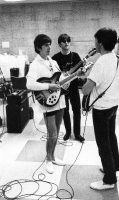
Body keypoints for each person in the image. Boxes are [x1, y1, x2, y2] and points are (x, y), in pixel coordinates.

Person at [82, 27, 119, 190]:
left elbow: (87, 89)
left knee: (104, 144)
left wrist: (88, 76)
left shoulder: (100, 62)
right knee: (111, 138)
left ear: (100, 43)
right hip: (114, 106)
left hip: (101, 109)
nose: (94, 43)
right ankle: (114, 167)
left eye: (95, 40)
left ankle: (109, 180)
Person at [26, 34, 67, 174]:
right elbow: (29, 84)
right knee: (52, 133)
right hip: (47, 102)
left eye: (50, 44)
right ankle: (48, 160)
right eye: (46, 45)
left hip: (59, 99)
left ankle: (53, 156)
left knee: (57, 130)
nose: (49, 47)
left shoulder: (53, 61)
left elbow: (60, 79)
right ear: (38, 47)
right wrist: (48, 86)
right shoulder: (34, 65)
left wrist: (74, 76)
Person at [52, 33, 85, 143]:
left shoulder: (75, 56)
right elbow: (52, 74)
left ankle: (77, 134)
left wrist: (82, 72)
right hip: (62, 89)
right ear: (59, 44)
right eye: (64, 41)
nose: (67, 43)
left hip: (74, 87)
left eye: (68, 41)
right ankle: (67, 132)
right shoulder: (55, 58)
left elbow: (81, 72)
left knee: (77, 110)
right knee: (65, 111)